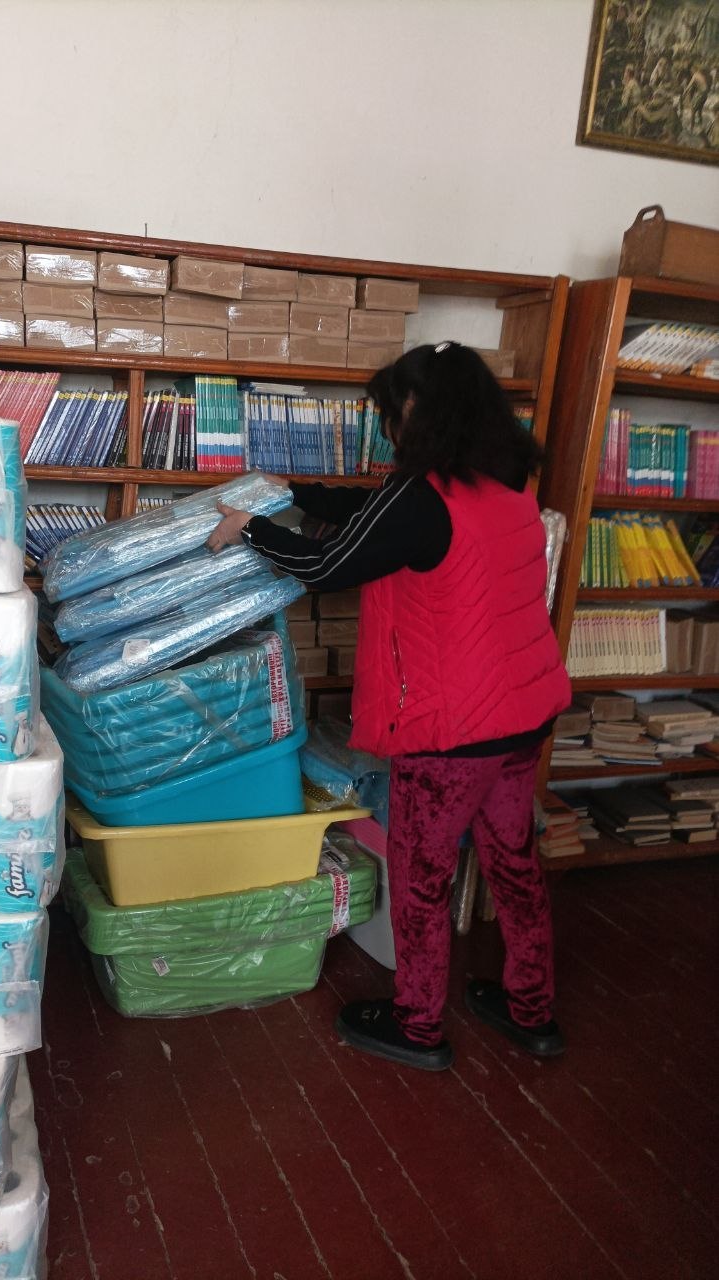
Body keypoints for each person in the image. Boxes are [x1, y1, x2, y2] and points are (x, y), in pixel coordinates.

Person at [207, 341, 572, 1072]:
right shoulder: (504, 486)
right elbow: (375, 515)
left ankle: (417, 1025)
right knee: (514, 866)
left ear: (412, 407)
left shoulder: (419, 496)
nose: (387, 428)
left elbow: (325, 565)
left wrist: (249, 527)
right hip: (522, 717)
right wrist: (296, 491)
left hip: (452, 732)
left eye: (389, 413)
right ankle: (531, 1011)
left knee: (421, 879)